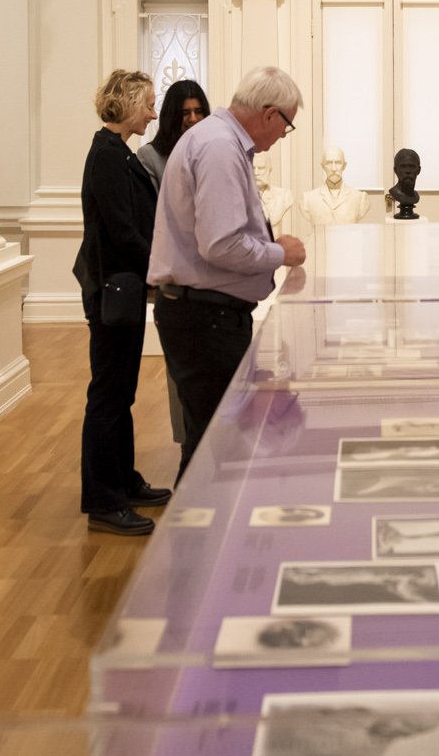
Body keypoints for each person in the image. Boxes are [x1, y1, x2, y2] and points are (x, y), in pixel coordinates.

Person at [148, 65, 308, 475]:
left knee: (211, 439)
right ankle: (199, 517)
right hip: (206, 319)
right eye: (286, 125)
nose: (282, 136)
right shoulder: (220, 147)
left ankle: (201, 513)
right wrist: (279, 253)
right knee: (214, 445)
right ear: (270, 114)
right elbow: (221, 245)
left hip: (206, 315)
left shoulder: (215, 139)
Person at [76, 69, 171, 536]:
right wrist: (161, 267)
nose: (153, 114)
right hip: (113, 289)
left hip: (122, 287)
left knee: (120, 393)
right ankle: (103, 501)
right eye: (148, 104)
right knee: (109, 396)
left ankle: (123, 481)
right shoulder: (108, 157)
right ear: (129, 103)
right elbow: (122, 231)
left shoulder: (117, 152)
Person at [138, 79, 208, 184]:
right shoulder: (150, 156)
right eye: (185, 113)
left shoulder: (211, 151)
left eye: (198, 111)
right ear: (172, 116)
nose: (193, 118)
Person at [303, 146, 373, 225]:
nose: (333, 168)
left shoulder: (360, 198)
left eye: (338, 163)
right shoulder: (308, 199)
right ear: (323, 166)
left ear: (344, 166)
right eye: (329, 163)